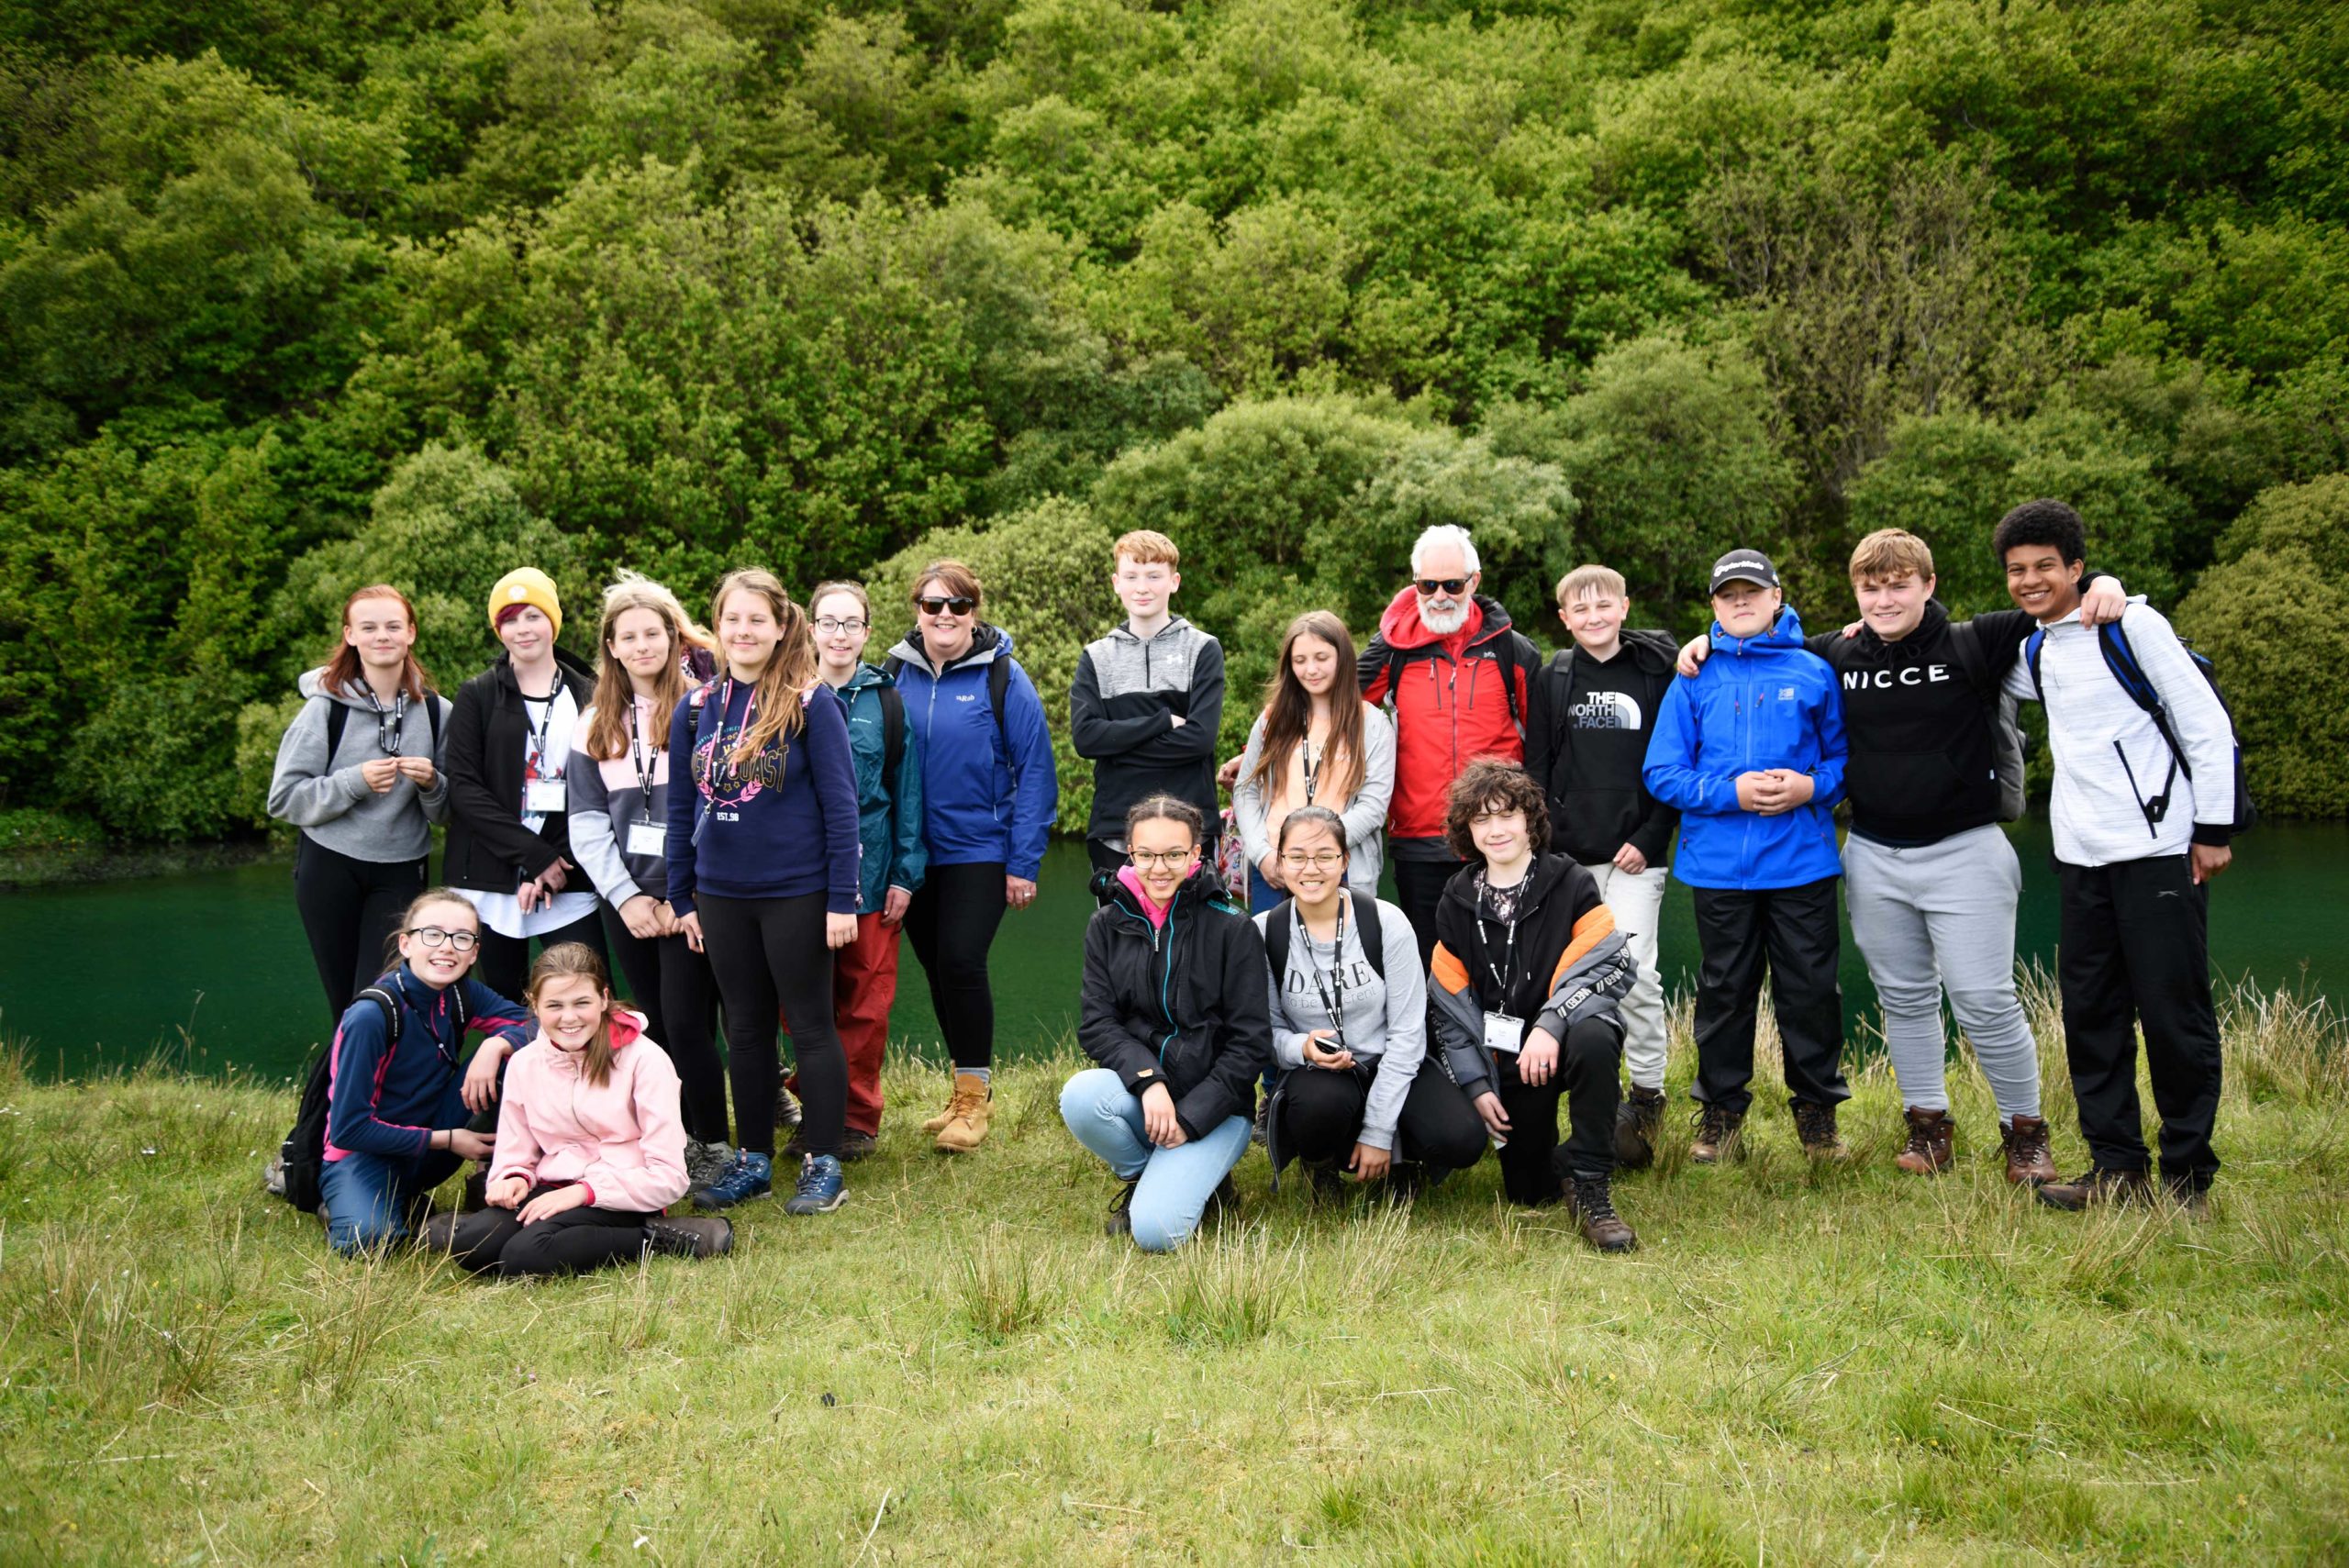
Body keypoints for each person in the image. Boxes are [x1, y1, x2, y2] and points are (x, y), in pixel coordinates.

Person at [1677, 533, 2125, 1181]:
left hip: (1967, 849)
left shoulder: (1976, 641)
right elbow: (1759, 652)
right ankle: (1928, 1127)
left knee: (1983, 998)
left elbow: (2048, 603)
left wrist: (2104, 585)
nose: (1884, 598)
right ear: (1857, 592)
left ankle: (2025, 1132)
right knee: (1905, 997)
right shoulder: (1835, 653)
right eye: (1871, 587)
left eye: (1898, 584)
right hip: (1875, 853)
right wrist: (1703, 643)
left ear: (1928, 584)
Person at [1993, 500, 2236, 1212]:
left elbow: (2204, 723)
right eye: (2017, 570)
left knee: (2173, 1015)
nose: (2031, 580)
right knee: (2092, 1016)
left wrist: (2213, 829)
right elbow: (1966, 670)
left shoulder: (2132, 625)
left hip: (2159, 850)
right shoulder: (2035, 649)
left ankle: (2187, 1175)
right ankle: (2117, 1170)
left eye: (2046, 566)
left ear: (2076, 566)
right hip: (2080, 858)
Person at [1642, 550, 1851, 1164]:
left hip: (1802, 863)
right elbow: (1662, 773)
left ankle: (1818, 1119)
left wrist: (1810, 787)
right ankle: (1720, 1117)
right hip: (1718, 867)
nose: (1741, 601)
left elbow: (1841, 764)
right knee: (1725, 992)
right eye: (1728, 593)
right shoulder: (1692, 677)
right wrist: (1727, 792)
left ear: (1776, 598)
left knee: (1810, 992)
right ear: (1713, 605)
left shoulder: (1814, 671)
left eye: (1752, 591)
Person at [665, 569, 863, 1216]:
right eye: (731, 620)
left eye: (757, 619)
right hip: (721, 894)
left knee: (808, 1023)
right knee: (744, 1028)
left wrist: (842, 898)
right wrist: (681, 894)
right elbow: (678, 808)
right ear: (716, 628)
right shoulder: (696, 708)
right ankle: (752, 1158)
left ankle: (822, 1161)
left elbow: (841, 807)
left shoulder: (811, 703)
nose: (743, 631)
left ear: (781, 627)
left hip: (797, 892)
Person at [1426, 762, 1641, 1251]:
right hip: (1507, 1058)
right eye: (1481, 819)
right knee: (1531, 1191)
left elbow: (1611, 964)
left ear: (1530, 821)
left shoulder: (1572, 881)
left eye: (1507, 815)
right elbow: (1449, 1007)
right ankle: (1615, 1132)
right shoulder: (1456, 899)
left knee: (1595, 1031)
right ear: (1468, 830)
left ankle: (1592, 1185)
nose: (1496, 829)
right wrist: (1476, 1084)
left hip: (1564, 1040)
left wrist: (1553, 1021)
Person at [883, 561, 1059, 1152]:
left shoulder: (1003, 676)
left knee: (961, 960)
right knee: (936, 971)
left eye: (958, 605)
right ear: (918, 610)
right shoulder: (892, 675)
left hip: (980, 849)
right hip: (911, 855)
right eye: (934, 605)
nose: (946, 616)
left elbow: (1035, 770)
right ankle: (962, 1093)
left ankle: (975, 1103)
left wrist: (1024, 861)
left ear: (974, 611)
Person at [566, 573, 733, 1191]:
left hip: (694, 900)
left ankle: (715, 1145)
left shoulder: (705, 706)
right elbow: (585, 823)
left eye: (652, 633)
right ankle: (674, 1141)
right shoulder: (592, 724)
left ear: (672, 636)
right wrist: (630, 897)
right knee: (656, 1026)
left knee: (692, 1023)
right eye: (627, 636)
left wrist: (678, 896)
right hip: (629, 902)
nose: (641, 646)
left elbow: (722, 807)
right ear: (610, 645)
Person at [436, 944, 730, 1274]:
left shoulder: (645, 1060)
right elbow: (514, 1151)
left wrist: (584, 1192)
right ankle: (554, 1230)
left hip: (624, 1191)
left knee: (526, 1254)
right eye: (554, 1005)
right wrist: (512, 1177)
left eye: (582, 1003)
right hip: (554, 1185)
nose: (569, 1017)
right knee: (473, 1246)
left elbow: (669, 1177)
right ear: (534, 1004)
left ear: (604, 999)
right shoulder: (524, 1063)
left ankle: (655, 1236)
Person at [1063, 795, 1273, 1251]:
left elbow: (1251, 1045)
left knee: (1157, 1234)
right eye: (1146, 855)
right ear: (1129, 853)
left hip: (1216, 1110)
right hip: (1147, 1097)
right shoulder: (1105, 924)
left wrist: (1192, 1118)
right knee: (1081, 1097)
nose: (1160, 868)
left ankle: (1210, 1181)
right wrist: (1148, 1081)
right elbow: (1098, 1024)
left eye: (1174, 854)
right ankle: (1145, 1175)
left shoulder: (1234, 928)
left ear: (1196, 855)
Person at [1523, 565, 1680, 1168]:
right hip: (1566, 860)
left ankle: (1647, 1095)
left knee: (1634, 972)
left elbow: (1674, 759)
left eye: (1603, 605)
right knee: (1566, 980)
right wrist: (1548, 844)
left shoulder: (1654, 671)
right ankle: (1590, 1098)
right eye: (1580, 609)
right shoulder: (1553, 676)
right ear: (1564, 618)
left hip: (1636, 858)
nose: (1593, 617)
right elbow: (1536, 765)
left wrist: (1650, 834)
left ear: (1624, 607)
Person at [1256, 806, 1483, 1195]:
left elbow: (1409, 1033)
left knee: (1461, 1138)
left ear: (1344, 860)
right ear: (1280, 861)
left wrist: (1379, 1132)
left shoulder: (1385, 922)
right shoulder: (1264, 933)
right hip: (1321, 1077)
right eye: (1297, 856)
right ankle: (1321, 1162)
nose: (1311, 868)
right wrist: (1303, 1047)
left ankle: (1400, 1159)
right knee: (1319, 1107)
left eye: (1325, 856)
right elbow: (1266, 1033)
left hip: (1388, 1061)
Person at [778, 581, 926, 1163]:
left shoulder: (886, 703)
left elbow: (906, 792)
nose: (839, 634)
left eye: (851, 624)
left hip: (870, 881)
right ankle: (814, 1111)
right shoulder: (785, 696)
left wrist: (905, 874)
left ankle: (856, 1120)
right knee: (802, 1005)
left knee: (864, 1005)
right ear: (810, 629)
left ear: (867, 632)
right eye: (828, 622)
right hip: (799, 880)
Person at [1359, 524, 1542, 967]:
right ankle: (1433, 1042)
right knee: (1426, 966)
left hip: (1499, 838)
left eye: (1453, 584)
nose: (1440, 595)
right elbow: (1328, 709)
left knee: (1505, 967)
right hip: (1420, 839)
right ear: (1415, 582)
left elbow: (1547, 744)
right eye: (1428, 584)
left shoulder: (1513, 651)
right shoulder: (1391, 650)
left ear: (1474, 582)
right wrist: (1261, 749)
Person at [269, 584, 452, 1023]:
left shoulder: (437, 712)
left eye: (393, 626)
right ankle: (335, 1093)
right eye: (368, 627)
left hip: (403, 868)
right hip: (329, 866)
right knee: (345, 1006)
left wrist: (432, 783)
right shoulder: (324, 710)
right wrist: (354, 782)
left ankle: (377, 1090)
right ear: (350, 635)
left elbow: (446, 814)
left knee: (382, 1001)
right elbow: (284, 799)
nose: (381, 636)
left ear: (411, 633)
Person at [317, 888, 531, 1255]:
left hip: (431, 1142)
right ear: (405, 944)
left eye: (462, 938)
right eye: (432, 934)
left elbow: (546, 1026)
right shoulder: (372, 1016)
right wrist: (449, 1140)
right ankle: (346, 1203)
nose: (447, 947)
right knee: (370, 1242)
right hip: (366, 1152)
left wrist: (496, 1045)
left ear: (474, 952)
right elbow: (348, 1129)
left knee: (517, 1059)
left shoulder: (463, 995)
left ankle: (500, 1176)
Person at [443, 567, 607, 1001]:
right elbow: (463, 788)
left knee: (585, 992)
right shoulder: (477, 695)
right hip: (489, 880)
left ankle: (587, 1072)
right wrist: (531, 856)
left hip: (567, 876)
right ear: (498, 630)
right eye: (510, 619)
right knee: (503, 1006)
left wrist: (553, 863)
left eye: (532, 616)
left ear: (552, 621)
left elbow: (600, 791)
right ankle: (507, 1073)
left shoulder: (590, 694)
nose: (522, 629)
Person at [1071, 530, 1225, 884]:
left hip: (1191, 830)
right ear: (1116, 583)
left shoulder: (1203, 649)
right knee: (1119, 936)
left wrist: (1118, 749)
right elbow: (1087, 740)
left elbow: (1199, 740)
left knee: (1191, 937)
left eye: (1154, 576)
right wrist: (1161, 722)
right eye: (1131, 576)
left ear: (1174, 582)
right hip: (1115, 829)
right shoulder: (1096, 657)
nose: (1142, 587)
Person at [1231, 610, 1396, 915]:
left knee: (1341, 960)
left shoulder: (1371, 724)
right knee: (1273, 959)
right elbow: (1245, 791)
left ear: (1343, 657)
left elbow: (1374, 807)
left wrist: (1314, 851)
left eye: (1321, 657)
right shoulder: (1272, 720)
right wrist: (1262, 854)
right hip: (1275, 869)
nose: (1311, 669)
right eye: (1300, 660)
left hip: (1343, 866)